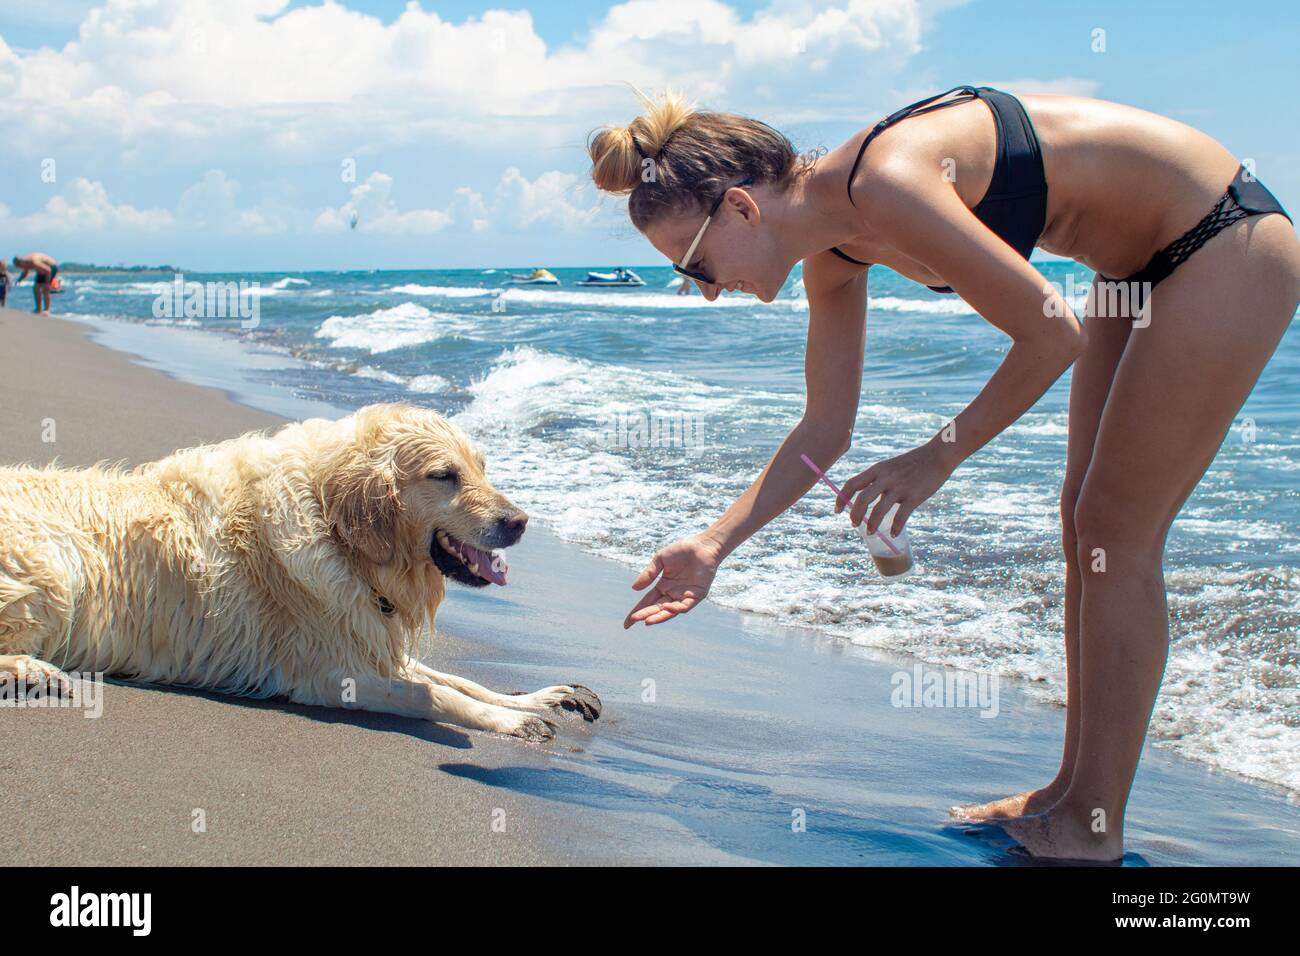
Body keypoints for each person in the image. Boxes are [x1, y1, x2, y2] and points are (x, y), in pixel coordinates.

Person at [587, 86, 1300, 862]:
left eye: (693, 263)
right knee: (1084, 524)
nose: (706, 289)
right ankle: (1070, 792)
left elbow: (1050, 335)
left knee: (1116, 529)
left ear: (741, 210)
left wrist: (938, 455)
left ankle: (1092, 825)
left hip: (1222, 238)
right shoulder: (836, 253)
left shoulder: (886, 180)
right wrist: (714, 544)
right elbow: (826, 426)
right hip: (1131, 269)